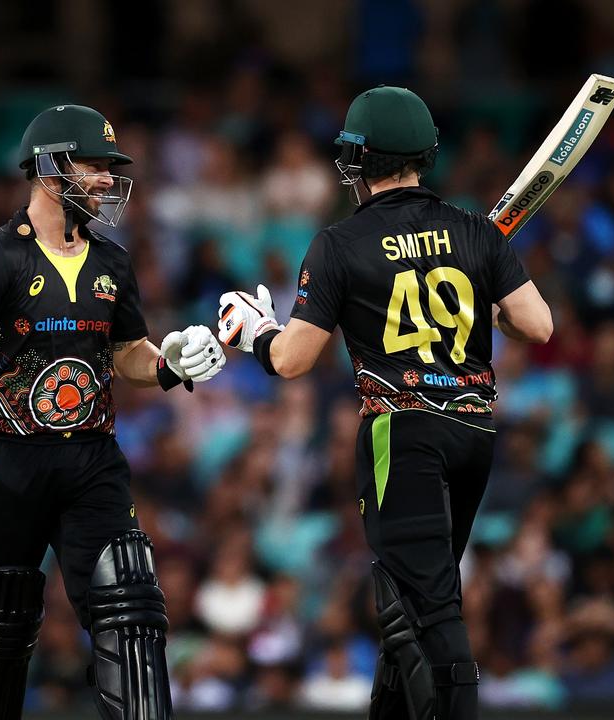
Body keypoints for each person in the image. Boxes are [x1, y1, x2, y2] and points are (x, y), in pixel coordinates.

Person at [216, 86, 552, 719]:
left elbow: (291, 360)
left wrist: (254, 329)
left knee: (430, 605)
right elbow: (537, 326)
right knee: (407, 598)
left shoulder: (339, 244)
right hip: (475, 430)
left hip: (402, 432)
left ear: (363, 160)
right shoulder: (476, 230)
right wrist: (495, 314)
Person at [0, 104, 224, 720]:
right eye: (95, 166)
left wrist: (171, 362)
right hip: (6, 461)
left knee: (130, 605)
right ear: (51, 168)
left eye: (111, 169)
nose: (109, 181)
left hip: (91, 461)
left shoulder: (112, 262)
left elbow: (127, 355)